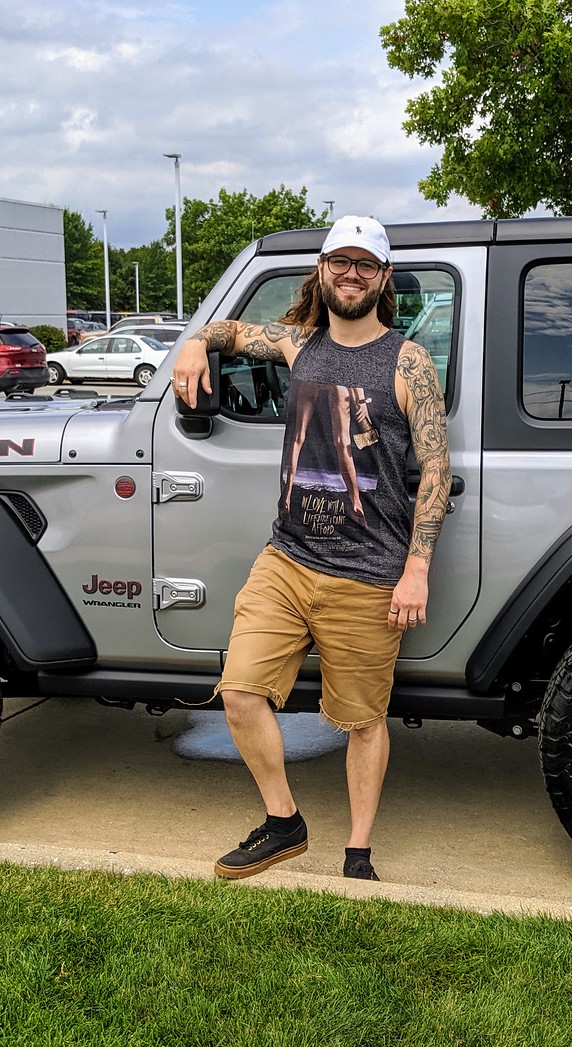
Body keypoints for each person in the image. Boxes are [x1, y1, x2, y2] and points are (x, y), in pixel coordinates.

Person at [171, 215, 450, 882]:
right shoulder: (299, 344)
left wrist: (416, 568)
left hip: (369, 573)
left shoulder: (408, 361)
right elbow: (230, 332)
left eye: (365, 264)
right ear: (322, 270)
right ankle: (284, 822)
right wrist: (193, 343)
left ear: (383, 278)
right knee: (240, 692)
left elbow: (436, 468)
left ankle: (358, 853)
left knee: (362, 721)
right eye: (340, 261)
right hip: (287, 561)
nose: (351, 274)